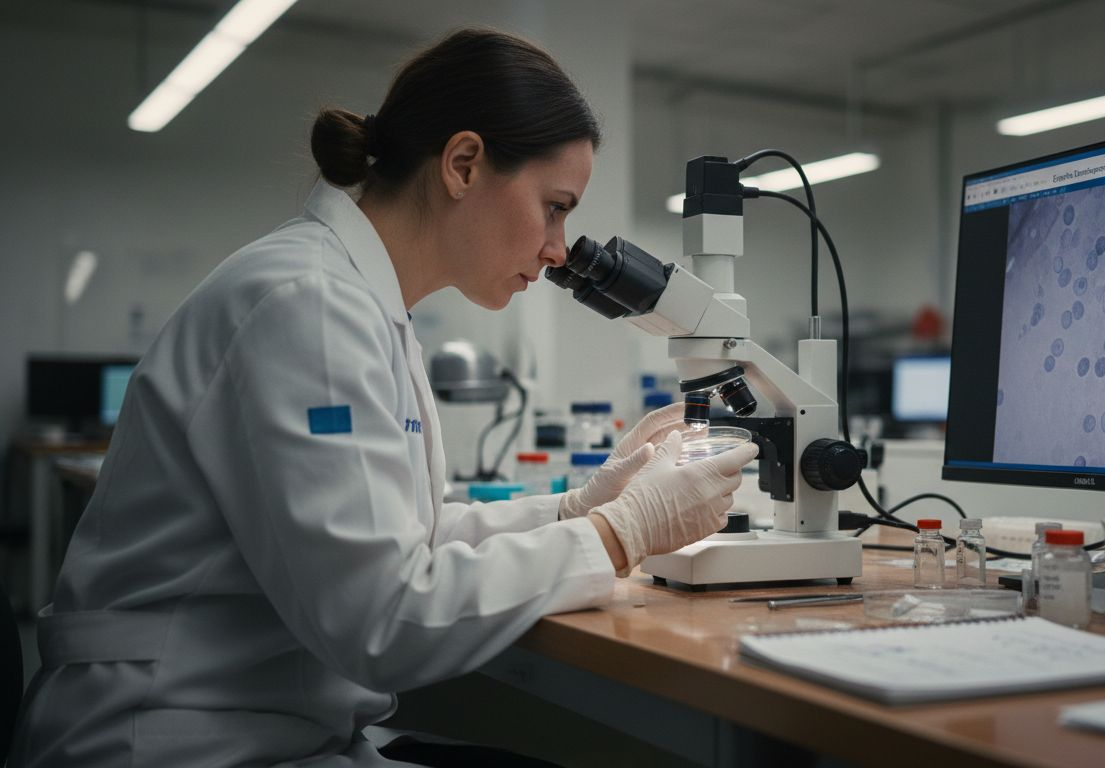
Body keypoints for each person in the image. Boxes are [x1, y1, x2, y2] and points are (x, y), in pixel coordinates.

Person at [8, 28, 757, 767]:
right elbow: (384, 617)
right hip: (171, 737)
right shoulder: (310, 305)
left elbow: (406, 540)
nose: (559, 249)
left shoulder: (361, 305)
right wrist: (624, 531)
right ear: (463, 164)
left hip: (257, 724)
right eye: (553, 207)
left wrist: (576, 508)